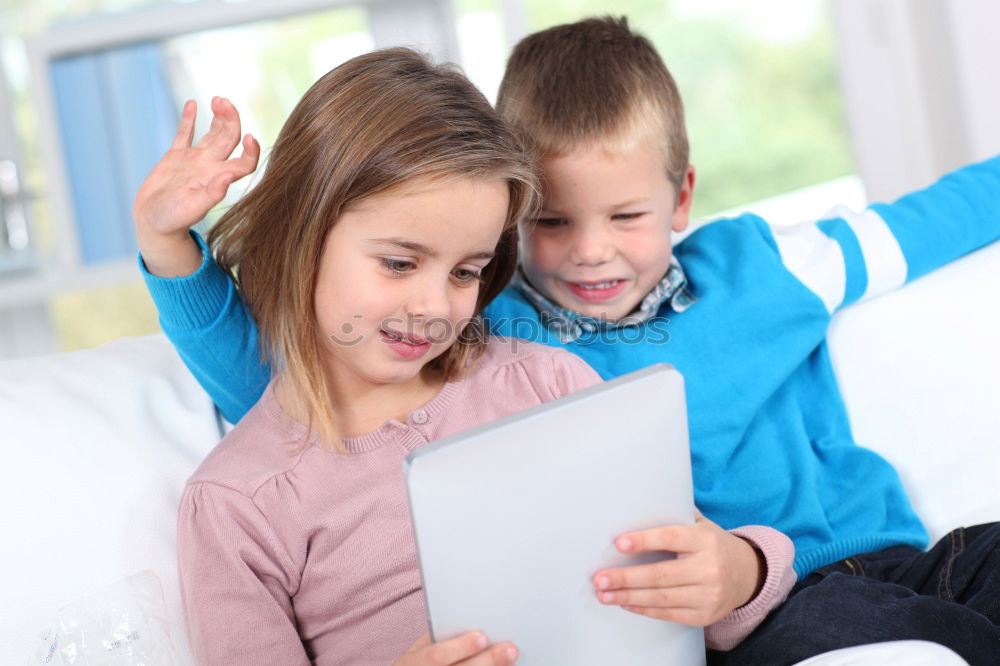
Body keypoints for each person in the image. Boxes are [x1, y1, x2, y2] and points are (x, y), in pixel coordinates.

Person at [139, 17, 1000, 663]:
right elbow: (255, 355)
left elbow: (688, 553)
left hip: (833, 586)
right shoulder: (238, 503)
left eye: (469, 269)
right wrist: (170, 250)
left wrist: (738, 567)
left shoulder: (544, 375)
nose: (435, 306)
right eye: (401, 262)